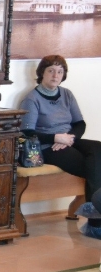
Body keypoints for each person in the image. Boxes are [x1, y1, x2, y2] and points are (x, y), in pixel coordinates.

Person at [20, 55, 101, 233]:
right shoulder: (32, 98)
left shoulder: (67, 94)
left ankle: (95, 217)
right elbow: (26, 132)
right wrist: (56, 138)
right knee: (93, 166)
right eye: (51, 71)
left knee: (98, 149)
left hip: (68, 140)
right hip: (47, 146)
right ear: (42, 73)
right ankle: (96, 223)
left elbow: (80, 123)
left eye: (60, 71)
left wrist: (69, 139)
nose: (55, 75)